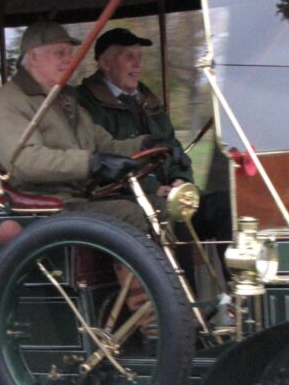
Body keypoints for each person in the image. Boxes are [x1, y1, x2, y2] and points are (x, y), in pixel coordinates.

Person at [0, 21, 178, 231]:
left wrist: (149, 145)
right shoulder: (10, 101)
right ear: (33, 57)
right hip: (44, 206)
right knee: (127, 214)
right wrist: (91, 164)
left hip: (80, 199)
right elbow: (24, 162)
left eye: (69, 53)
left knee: (164, 208)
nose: (68, 60)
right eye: (60, 53)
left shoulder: (64, 99)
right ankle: (136, 265)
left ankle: (169, 264)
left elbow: (106, 145)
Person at [77, 27, 231, 244]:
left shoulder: (148, 100)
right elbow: (103, 161)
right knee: (174, 218)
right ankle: (181, 280)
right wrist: (155, 189)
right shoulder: (86, 104)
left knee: (225, 207)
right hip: (126, 197)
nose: (138, 65)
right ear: (105, 63)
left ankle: (235, 277)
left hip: (169, 195)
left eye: (139, 57)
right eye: (129, 57)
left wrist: (181, 180)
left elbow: (174, 149)